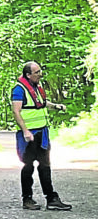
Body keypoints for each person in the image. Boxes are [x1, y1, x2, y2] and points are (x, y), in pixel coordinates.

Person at [11, 62, 71, 210]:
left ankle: (51, 199)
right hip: (29, 135)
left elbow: (41, 103)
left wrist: (56, 106)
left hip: (42, 133)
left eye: (39, 71)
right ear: (28, 75)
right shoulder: (19, 90)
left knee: (45, 165)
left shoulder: (36, 88)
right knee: (28, 166)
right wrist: (25, 131)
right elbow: (16, 111)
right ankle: (27, 199)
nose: (40, 74)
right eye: (37, 72)